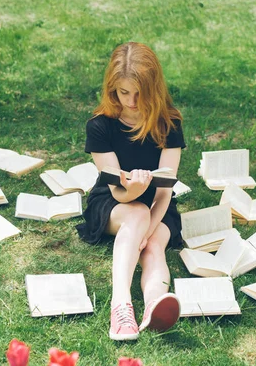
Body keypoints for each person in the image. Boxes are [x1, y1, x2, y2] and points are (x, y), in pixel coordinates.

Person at [76, 42, 186, 341]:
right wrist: (132, 191)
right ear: (113, 89)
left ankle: (154, 303)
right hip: (113, 202)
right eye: (124, 93)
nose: (132, 101)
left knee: (154, 247)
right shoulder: (100, 126)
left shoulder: (169, 123)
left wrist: (148, 232)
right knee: (136, 211)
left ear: (154, 88)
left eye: (140, 93)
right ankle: (120, 305)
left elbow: (165, 190)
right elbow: (116, 189)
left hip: (160, 205)